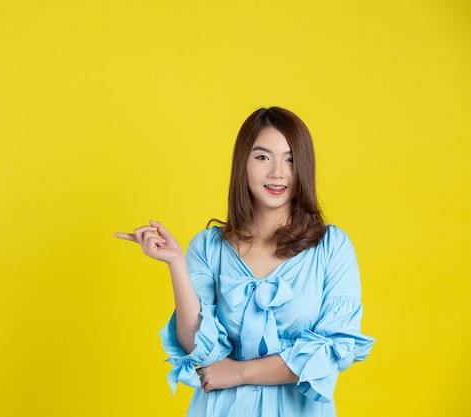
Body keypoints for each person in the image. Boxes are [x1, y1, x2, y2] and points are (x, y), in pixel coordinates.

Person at [114, 107, 374, 416]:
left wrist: (238, 373)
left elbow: (335, 350)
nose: (277, 172)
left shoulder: (332, 247)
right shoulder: (210, 246)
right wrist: (176, 264)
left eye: (290, 159)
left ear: (303, 167)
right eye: (263, 157)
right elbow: (196, 345)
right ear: (243, 164)